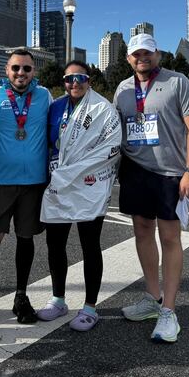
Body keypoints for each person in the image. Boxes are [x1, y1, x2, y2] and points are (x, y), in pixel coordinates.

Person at [113, 33, 189, 343]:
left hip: (170, 173)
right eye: (136, 54)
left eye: (148, 53)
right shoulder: (123, 89)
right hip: (135, 170)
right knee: (142, 232)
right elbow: (115, 130)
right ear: (128, 59)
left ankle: (169, 310)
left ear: (158, 55)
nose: (142, 58)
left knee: (169, 237)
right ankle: (152, 298)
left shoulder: (177, 82)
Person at [38, 61, 122, 331]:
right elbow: (47, 143)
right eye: (69, 78)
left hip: (89, 184)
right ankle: (58, 299)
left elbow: (112, 146)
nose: (75, 83)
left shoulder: (103, 109)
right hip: (59, 183)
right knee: (55, 244)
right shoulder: (55, 108)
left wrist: (78, 170)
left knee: (90, 245)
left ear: (89, 80)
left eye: (81, 78)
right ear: (63, 81)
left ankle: (90, 307)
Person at [0, 49, 52, 324]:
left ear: (34, 71)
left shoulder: (45, 96)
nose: (21, 73)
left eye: (26, 68)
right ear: (7, 70)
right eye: (15, 68)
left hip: (33, 181)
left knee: (26, 238)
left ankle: (21, 295)